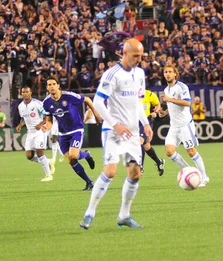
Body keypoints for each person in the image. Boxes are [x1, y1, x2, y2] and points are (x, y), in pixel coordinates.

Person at [79, 38, 152, 230]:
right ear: (124, 53)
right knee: (110, 171)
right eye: (136, 56)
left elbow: (138, 102)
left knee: (135, 174)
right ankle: (90, 212)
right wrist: (115, 125)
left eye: (141, 56)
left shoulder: (140, 74)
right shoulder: (112, 75)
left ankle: (124, 216)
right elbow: (97, 102)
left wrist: (146, 123)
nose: (139, 59)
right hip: (112, 131)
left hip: (132, 132)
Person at [42, 77, 100, 191]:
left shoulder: (69, 96)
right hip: (63, 133)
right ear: (47, 87)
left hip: (76, 129)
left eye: (54, 83)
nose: (52, 86)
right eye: (49, 84)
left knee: (73, 155)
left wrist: (96, 114)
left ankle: (86, 156)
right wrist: (46, 127)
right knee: (71, 160)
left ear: (58, 85)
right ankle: (89, 182)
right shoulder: (46, 103)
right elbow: (49, 120)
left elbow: (87, 99)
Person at [158, 65, 209, 183]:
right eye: (165, 72)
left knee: (191, 151)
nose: (167, 74)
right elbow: (173, 106)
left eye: (170, 71)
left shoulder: (181, 87)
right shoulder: (166, 90)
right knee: (169, 151)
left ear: (175, 74)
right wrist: (165, 112)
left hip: (185, 125)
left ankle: (204, 178)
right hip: (174, 126)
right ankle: (189, 171)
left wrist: (169, 99)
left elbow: (187, 103)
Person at [16, 87, 53, 182]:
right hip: (30, 132)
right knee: (29, 156)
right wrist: (20, 125)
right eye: (23, 92)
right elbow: (23, 118)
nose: (25, 94)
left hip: (39, 131)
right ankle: (48, 162)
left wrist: (40, 124)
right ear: (21, 93)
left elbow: (47, 116)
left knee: (40, 153)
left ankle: (48, 175)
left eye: (27, 92)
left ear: (31, 92)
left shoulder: (37, 103)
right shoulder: (20, 106)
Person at [140, 89, 165, 176]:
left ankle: (140, 166)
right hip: (134, 122)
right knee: (146, 146)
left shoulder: (149, 94)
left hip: (146, 121)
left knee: (140, 141)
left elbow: (157, 104)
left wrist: (155, 111)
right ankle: (159, 162)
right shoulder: (130, 95)